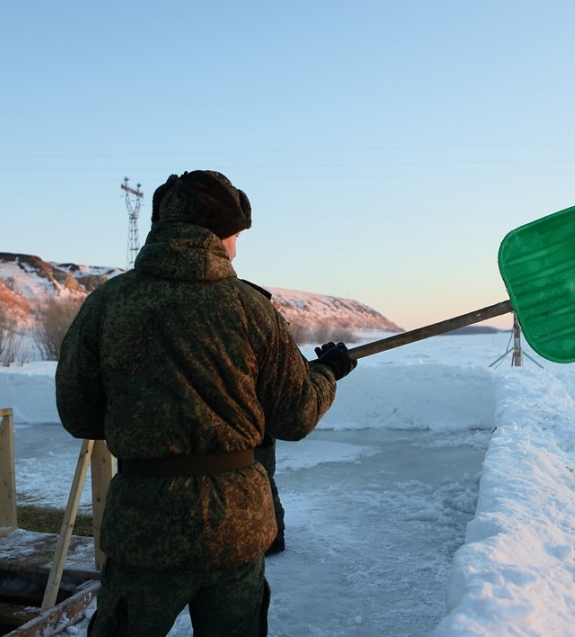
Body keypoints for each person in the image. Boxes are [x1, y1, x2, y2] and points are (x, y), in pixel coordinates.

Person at [55, 169, 356, 637]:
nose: (237, 245)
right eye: (236, 234)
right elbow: (294, 417)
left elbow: (78, 413)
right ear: (221, 232)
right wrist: (326, 373)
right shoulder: (253, 309)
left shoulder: (108, 304)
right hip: (235, 529)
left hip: (143, 528)